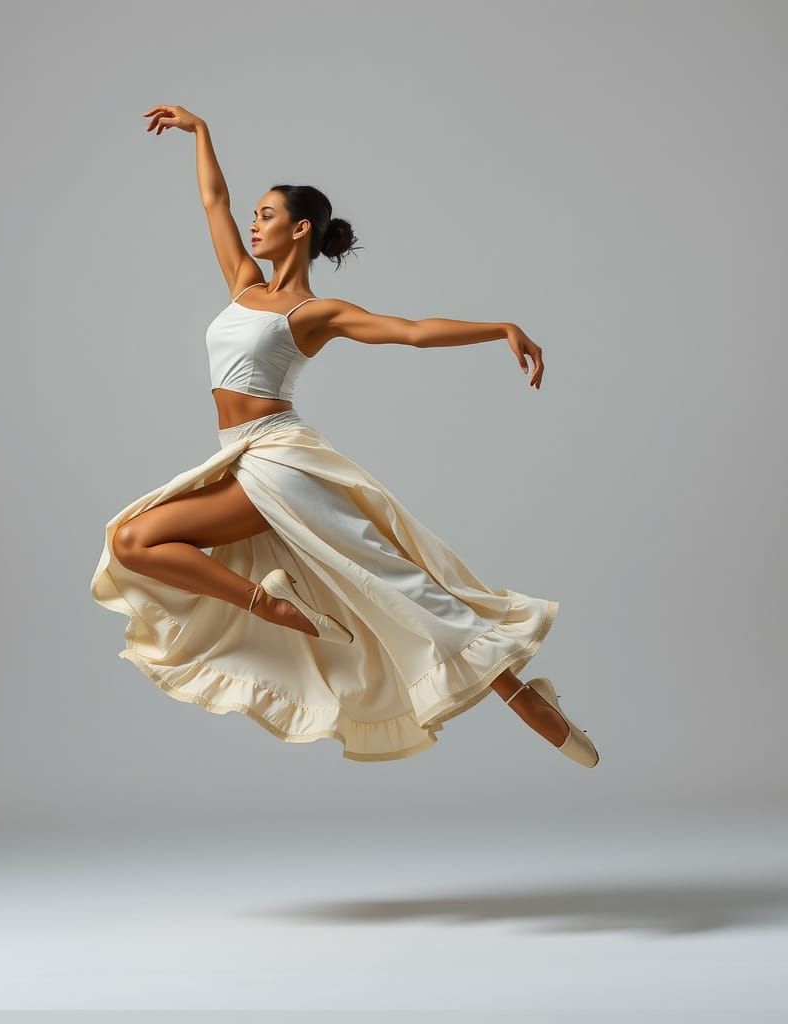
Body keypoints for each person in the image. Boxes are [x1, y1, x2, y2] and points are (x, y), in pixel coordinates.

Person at [89, 104, 599, 766]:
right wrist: (202, 131)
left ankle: (522, 697)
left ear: (300, 230)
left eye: (267, 215)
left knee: (389, 579)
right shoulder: (243, 284)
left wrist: (498, 327)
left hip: (280, 458)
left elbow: (412, 330)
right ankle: (270, 607)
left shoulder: (316, 312)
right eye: (256, 214)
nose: (253, 221)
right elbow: (212, 199)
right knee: (135, 542)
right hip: (240, 457)